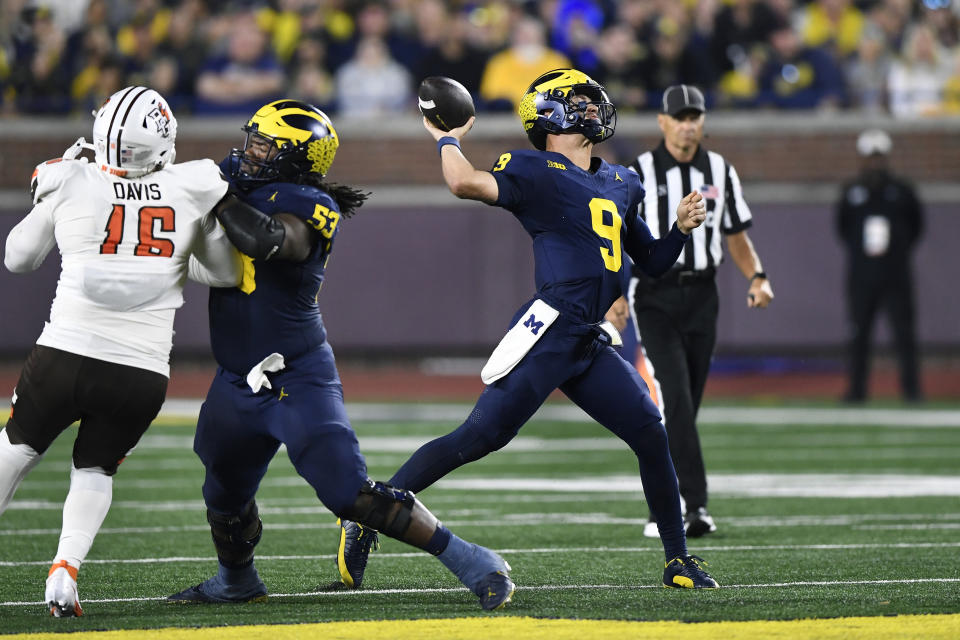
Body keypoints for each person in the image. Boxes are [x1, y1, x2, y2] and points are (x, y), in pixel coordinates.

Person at [336, 69, 718, 592]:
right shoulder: (536, 169)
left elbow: (651, 262)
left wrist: (679, 229)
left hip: (588, 337)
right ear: (551, 115)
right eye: (578, 102)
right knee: (479, 437)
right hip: (550, 329)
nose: (591, 109)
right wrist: (447, 138)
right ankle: (368, 511)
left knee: (651, 431)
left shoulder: (622, 180)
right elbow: (463, 182)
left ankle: (678, 560)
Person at [165, 100, 514, 611]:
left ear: (296, 157)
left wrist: (216, 193)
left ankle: (472, 558)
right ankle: (236, 580)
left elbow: (267, 240)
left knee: (348, 492)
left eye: (265, 145)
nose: (250, 152)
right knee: (222, 490)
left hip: (297, 377)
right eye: (252, 140)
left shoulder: (309, 202)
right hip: (236, 378)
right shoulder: (238, 185)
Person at [0, 86, 244, 617]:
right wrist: (182, 254)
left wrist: (48, 196)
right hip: (140, 371)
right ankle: (65, 569)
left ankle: (64, 568)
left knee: (16, 449)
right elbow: (225, 274)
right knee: (95, 471)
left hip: (65, 352)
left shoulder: (71, 179)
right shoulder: (192, 185)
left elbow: (17, 259)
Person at [628, 84, 774, 540]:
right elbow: (617, 236)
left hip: (703, 295)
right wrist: (613, 295)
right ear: (663, 121)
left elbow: (735, 235)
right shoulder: (640, 172)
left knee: (685, 405)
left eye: (695, 116)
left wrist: (757, 275)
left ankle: (663, 502)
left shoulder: (719, 169)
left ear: (703, 122)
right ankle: (693, 506)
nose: (688, 124)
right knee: (675, 397)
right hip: (653, 293)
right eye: (680, 116)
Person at [837, 129, 923, 402]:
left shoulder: (902, 191)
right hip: (862, 276)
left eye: (879, 157)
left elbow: (917, 226)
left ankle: (911, 391)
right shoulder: (852, 192)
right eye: (870, 157)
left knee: (904, 334)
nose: (875, 163)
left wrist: (897, 250)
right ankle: (857, 392)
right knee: (858, 334)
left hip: (896, 274)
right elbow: (842, 228)